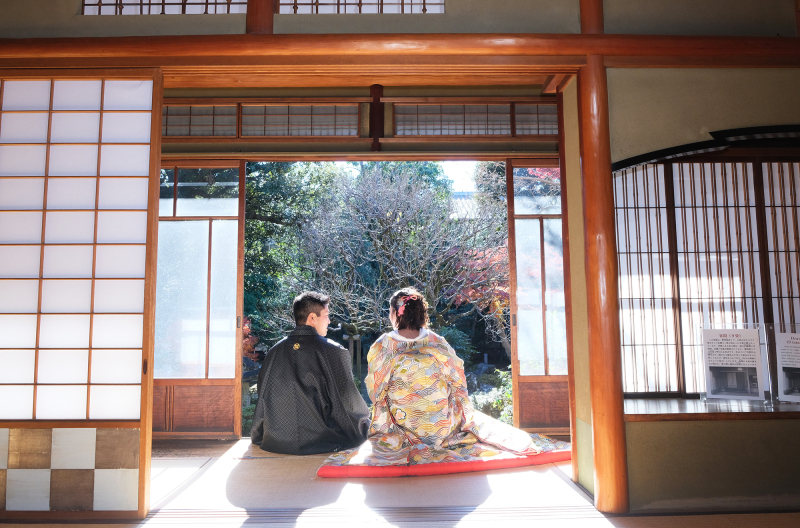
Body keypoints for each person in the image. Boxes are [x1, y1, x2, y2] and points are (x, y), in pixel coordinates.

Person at [324, 287, 541, 467]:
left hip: (401, 424)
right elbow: (458, 381)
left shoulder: (383, 344)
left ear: (395, 313)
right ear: (421, 313)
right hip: (440, 425)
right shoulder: (437, 341)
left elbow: (376, 390)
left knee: (383, 403)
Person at [250, 291, 370, 455]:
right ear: (312, 318)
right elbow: (348, 404)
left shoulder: (274, 352)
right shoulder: (335, 351)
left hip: (277, 441)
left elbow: (263, 399)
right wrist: (365, 425)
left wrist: (260, 434)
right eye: (326, 315)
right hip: (323, 441)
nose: (329, 321)